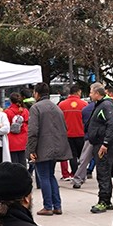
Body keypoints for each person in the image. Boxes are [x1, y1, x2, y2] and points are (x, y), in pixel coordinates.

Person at [25, 83, 70, 216]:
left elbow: (33, 131)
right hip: (56, 146)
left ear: (36, 93)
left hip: (43, 146)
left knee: (44, 176)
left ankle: (48, 206)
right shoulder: (56, 108)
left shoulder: (36, 108)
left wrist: (31, 150)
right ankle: (57, 205)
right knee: (51, 176)